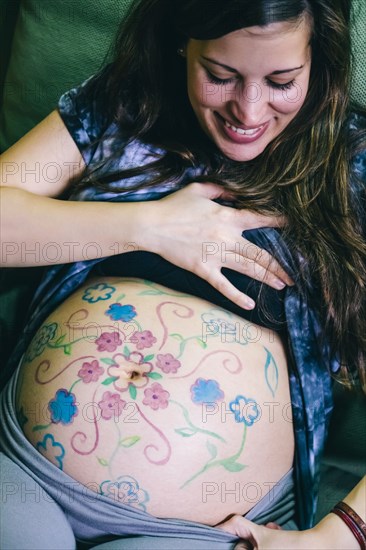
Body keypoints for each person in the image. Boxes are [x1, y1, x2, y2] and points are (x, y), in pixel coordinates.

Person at [0, 0, 365, 548]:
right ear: (181, 45)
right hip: (26, 477)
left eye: (282, 81)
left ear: (320, 61)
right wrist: (146, 226)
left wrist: (340, 536)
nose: (248, 110)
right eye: (220, 76)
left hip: (206, 530)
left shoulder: (351, 166)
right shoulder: (126, 104)